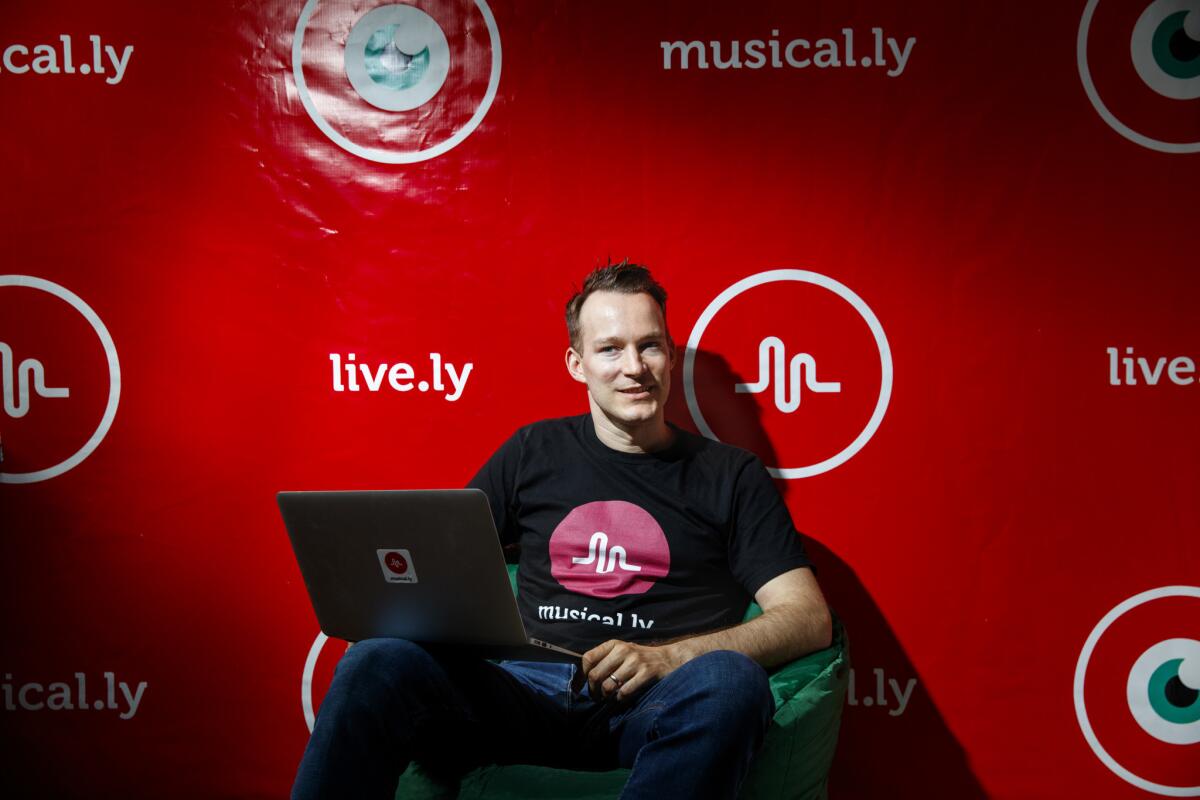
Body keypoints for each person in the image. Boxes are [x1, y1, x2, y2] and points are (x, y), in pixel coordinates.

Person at [292, 261, 833, 800]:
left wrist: (671, 658)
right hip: (519, 695)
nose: (634, 367)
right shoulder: (532, 451)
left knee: (730, 684)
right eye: (610, 348)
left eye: (649, 345)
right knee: (375, 661)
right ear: (577, 364)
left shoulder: (731, 475)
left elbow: (808, 618)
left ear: (669, 356)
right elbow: (445, 565)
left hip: (647, 702)